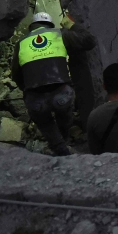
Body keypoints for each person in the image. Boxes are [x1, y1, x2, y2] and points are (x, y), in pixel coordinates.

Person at [11, 12, 97, 156]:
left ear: (32, 26)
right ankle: (65, 141)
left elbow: (16, 74)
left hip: (36, 97)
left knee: (45, 123)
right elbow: (90, 41)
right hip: (61, 92)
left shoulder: (20, 43)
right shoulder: (60, 34)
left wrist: (28, 91)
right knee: (63, 115)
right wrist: (72, 25)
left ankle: (59, 146)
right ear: (50, 25)